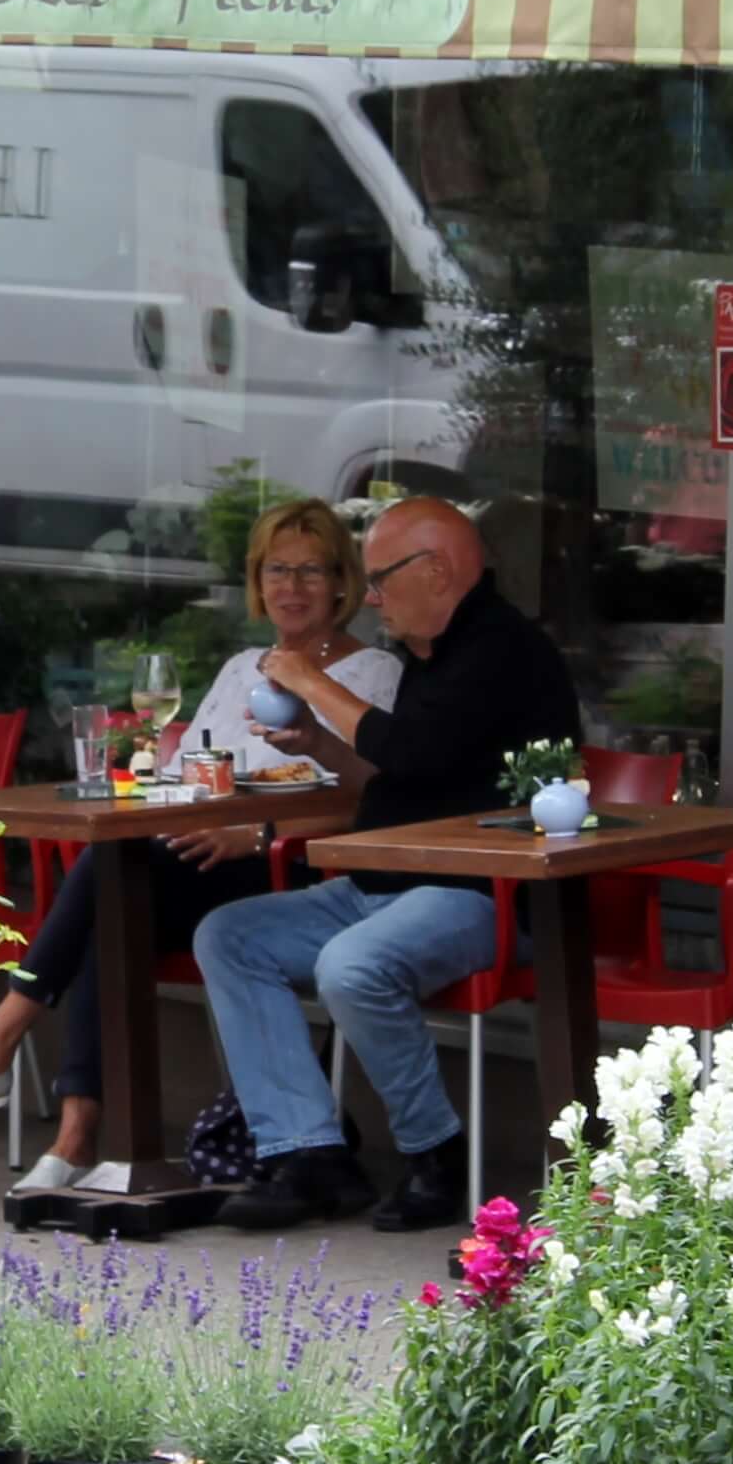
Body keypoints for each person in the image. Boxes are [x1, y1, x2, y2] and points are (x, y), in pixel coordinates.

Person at [0, 499, 403, 1189]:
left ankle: (5, 1055)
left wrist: (258, 833)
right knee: (115, 896)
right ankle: (74, 1137)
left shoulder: (374, 674)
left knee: (111, 876)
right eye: (277, 568)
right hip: (201, 853)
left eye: (310, 570)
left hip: (290, 868)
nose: (291, 586)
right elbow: (198, 772)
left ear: (342, 582)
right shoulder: (244, 664)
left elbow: (379, 803)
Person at [197, 497, 579, 1233]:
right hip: (381, 882)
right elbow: (393, 776)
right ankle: (308, 1151)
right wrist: (317, 741)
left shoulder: (501, 649)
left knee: (351, 966)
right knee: (228, 934)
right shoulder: (428, 655)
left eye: (378, 579)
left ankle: (434, 1150)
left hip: (480, 892)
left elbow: (412, 753)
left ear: (435, 570)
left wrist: (310, 681)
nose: (370, 597)